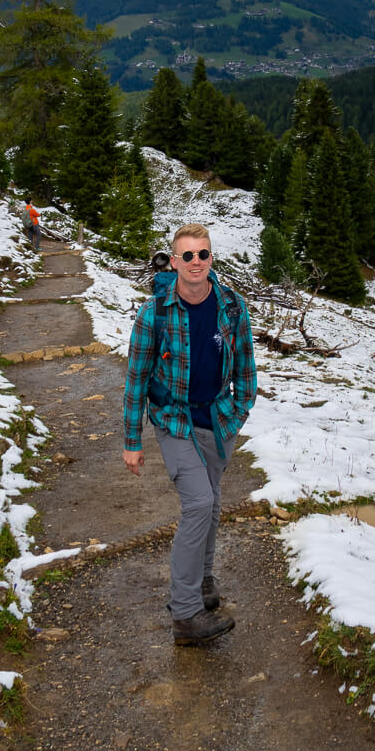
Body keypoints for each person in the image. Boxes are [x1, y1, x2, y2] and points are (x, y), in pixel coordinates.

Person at [122, 223, 257, 644]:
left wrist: (237, 413)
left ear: (211, 259)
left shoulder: (231, 306)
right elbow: (136, 379)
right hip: (174, 420)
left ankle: (204, 581)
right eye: (187, 256)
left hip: (217, 420)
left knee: (213, 502)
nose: (195, 262)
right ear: (175, 261)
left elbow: (246, 369)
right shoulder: (155, 312)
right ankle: (185, 615)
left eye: (203, 254)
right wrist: (132, 441)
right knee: (199, 503)